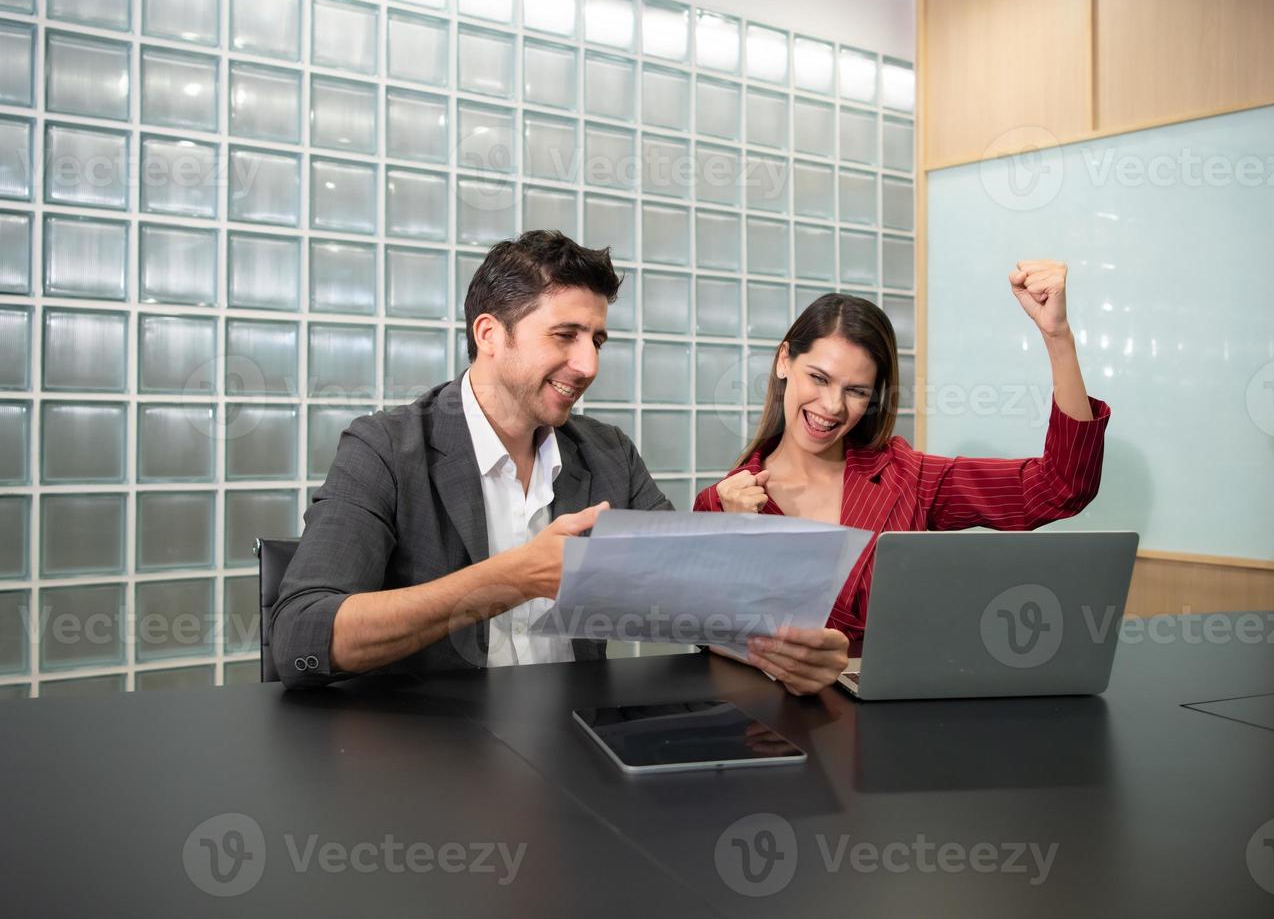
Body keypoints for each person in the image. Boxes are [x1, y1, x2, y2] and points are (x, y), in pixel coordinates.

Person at [271, 230, 848, 692]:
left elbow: (686, 597)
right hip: (432, 765)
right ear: (490, 335)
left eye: (596, 340)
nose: (588, 364)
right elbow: (301, 635)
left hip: (573, 750)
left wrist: (774, 648)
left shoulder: (608, 454)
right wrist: (515, 577)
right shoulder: (384, 449)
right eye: (565, 335)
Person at [695, 261, 1110, 657]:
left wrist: (1058, 337)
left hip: (894, 719)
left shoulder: (907, 476)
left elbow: (1060, 486)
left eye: (856, 391)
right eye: (818, 378)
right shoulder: (720, 504)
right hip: (773, 726)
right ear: (785, 360)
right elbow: (711, 643)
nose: (832, 406)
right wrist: (735, 534)